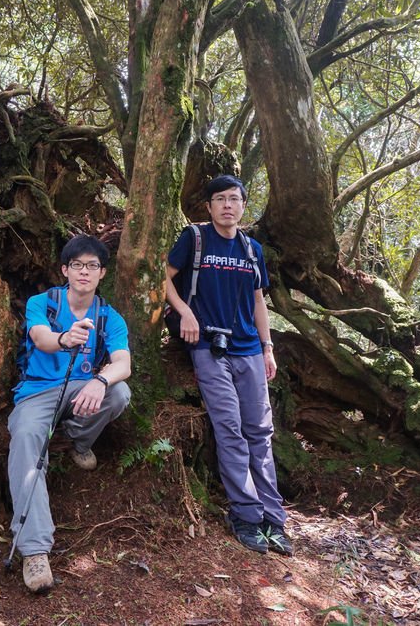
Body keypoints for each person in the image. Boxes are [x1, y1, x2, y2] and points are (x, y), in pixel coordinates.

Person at [164, 174, 292, 556]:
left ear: (243, 205)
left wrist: (268, 347)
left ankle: (274, 517)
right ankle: (246, 515)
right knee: (230, 429)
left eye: (234, 199)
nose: (227, 206)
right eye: (220, 199)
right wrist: (185, 312)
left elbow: (257, 302)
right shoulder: (194, 239)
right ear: (209, 206)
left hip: (249, 348)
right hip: (207, 346)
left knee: (260, 432)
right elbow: (164, 278)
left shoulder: (252, 248)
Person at [9, 235, 132, 593]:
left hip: (81, 390)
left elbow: (123, 364)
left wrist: (99, 380)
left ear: (102, 273)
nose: (84, 271)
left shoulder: (109, 316)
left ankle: (79, 440)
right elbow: (42, 338)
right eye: (77, 265)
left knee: (118, 392)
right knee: (28, 437)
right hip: (37, 391)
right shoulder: (43, 303)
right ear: (65, 270)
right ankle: (34, 550)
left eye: (92, 265)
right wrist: (65, 339)